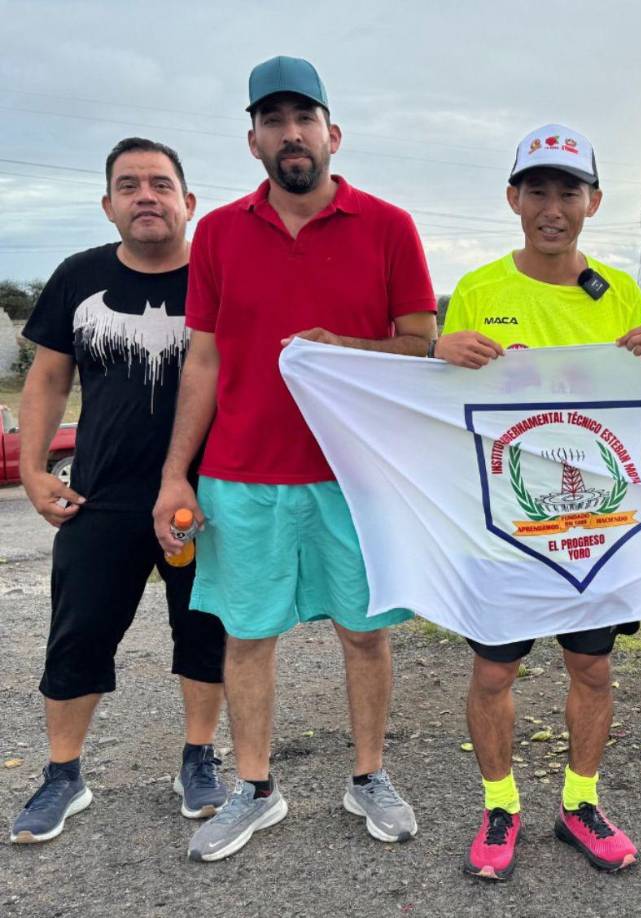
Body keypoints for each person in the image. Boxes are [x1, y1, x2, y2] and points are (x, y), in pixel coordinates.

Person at [152, 56, 436, 862]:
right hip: (241, 473)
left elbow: (421, 344)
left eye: (303, 118)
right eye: (273, 121)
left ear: (332, 133)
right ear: (253, 142)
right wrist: (177, 471)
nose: (291, 134)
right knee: (246, 636)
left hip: (357, 475)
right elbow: (203, 359)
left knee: (366, 635)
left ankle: (369, 776)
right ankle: (255, 787)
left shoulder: (388, 225)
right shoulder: (218, 233)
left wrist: (342, 347)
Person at [437, 124, 641, 880]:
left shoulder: (620, 290)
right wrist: (437, 352)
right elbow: (441, 412)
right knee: (492, 676)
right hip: (506, 525)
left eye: (568, 191)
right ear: (513, 198)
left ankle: (580, 802)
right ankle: (500, 805)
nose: (552, 206)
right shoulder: (478, 289)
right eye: (536, 189)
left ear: (593, 201)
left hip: (594, 527)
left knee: (595, 673)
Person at [11, 138, 227, 845]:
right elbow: (47, 378)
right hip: (99, 494)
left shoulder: (220, 276)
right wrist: (37, 470)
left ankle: (198, 758)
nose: (146, 196)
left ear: (188, 202)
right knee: (79, 632)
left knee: (204, 631)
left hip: (204, 495)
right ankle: (63, 774)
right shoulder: (79, 277)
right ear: (108, 205)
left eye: (160, 184)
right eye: (129, 185)